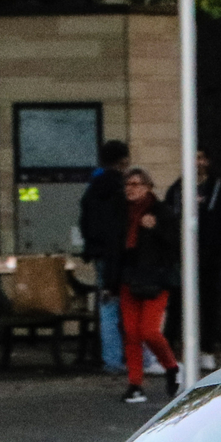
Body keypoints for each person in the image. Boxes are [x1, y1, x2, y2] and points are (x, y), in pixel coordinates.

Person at [111, 167, 182, 405]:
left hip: (155, 279)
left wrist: (156, 229)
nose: (130, 189)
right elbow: (117, 250)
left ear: (148, 187)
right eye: (127, 185)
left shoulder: (162, 213)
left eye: (136, 184)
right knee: (131, 332)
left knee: (149, 331)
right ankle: (135, 383)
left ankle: (171, 366)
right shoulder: (122, 214)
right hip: (129, 278)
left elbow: (174, 246)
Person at [165, 147, 221, 371]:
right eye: (192, 158)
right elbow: (168, 219)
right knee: (177, 305)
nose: (196, 163)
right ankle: (172, 352)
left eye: (200, 158)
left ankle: (207, 349)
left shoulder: (218, 189)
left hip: (210, 258)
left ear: (207, 161)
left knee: (208, 305)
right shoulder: (177, 190)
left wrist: (219, 250)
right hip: (181, 257)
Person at [78, 138, 133, 377]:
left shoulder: (93, 188)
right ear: (124, 161)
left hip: (100, 253)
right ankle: (130, 356)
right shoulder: (122, 189)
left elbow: (85, 221)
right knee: (128, 305)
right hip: (122, 253)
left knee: (108, 306)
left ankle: (112, 360)